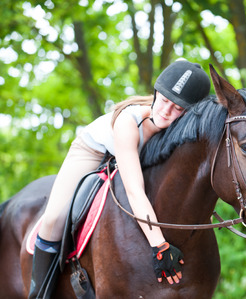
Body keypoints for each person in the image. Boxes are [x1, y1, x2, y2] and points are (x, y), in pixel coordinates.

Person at [29, 60, 211, 298]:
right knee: (54, 218)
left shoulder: (182, 130)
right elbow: (135, 190)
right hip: (92, 151)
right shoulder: (128, 121)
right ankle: (39, 292)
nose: (165, 112)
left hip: (135, 155)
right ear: (156, 92)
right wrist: (160, 245)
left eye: (177, 108)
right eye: (165, 100)